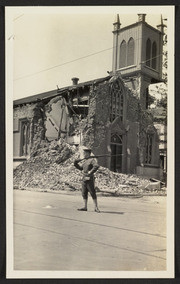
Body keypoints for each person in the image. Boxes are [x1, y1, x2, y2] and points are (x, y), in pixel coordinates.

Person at [74, 147, 100, 213]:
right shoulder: (85, 161)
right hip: (84, 179)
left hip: (89, 179)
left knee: (92, 192)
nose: (84, 154)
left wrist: (90, 172)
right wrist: (75, 163)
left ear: (88, 153)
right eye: (83, 153)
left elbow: (96, 166)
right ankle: (85, 207)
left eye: (85, 153)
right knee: (84, 193)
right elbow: (81, 168)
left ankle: (96, 207)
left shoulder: (91, 160)